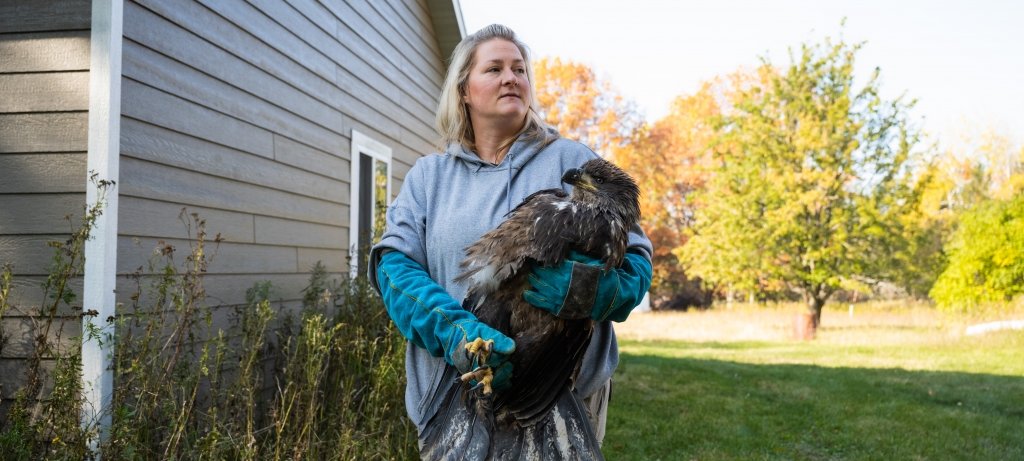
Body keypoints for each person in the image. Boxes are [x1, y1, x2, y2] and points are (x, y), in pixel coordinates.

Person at [368, 23, 653, 455]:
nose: (511, 78)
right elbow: (393, 267)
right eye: (495, 68)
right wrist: (452, 331)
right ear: (464, 90)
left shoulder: (573, 159)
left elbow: (636, 258)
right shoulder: (429, 176)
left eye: (520, 69)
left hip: (565, 391)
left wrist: (593, 291)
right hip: (454, 394)